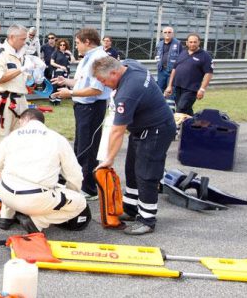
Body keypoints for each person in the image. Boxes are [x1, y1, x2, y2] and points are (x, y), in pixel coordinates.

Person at [93, 57, 176, 235]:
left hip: (156, 131)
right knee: (131, 169)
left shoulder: (128, 92)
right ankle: (131, 208)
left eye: (104, 80)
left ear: (114, 73)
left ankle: (147, 219)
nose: (104, 85)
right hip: (142, 128)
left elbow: (117, 131)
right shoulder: (130, 65)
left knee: (146, 174)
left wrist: (108, 159)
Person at [0, 109, 87, 233]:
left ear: (23, 119)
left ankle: (6, 217)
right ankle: (37, 221)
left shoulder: (13, 136)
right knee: (80, 202)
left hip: (5, 194)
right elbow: (75, 175)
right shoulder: (57, 139)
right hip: (35, 199)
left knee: (10, 176)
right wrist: (70, 193)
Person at [51, 28, 111, 201]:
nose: (75, 46)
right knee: (80, 146)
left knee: (88, 148)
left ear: (87, 42)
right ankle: (79, 182)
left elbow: (95, 90)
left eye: (77, 42)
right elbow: (81, 83)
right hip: (83, 108)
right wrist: (66, 82)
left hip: (92, 108)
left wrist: (70, 94)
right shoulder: (89, 57)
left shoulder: (99, 58)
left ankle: (89, 188)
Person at [0, 24, 32, 150]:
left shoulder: (21, 54)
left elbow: (19, 79)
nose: (25, 42)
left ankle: (14, 168)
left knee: (21, 137)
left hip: (20, 99)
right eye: (22, 39)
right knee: (2, 138)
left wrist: (32, 76)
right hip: (4, 100)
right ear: (12, 37)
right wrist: (21, 69)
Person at [164, 33, 213, 116]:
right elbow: (174, 69)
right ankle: (193, 125)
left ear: (199, 42)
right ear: (187, 43)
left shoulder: (205, 56)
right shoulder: (183, 53)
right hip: (178, 87)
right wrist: (170, 85)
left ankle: (177, 128)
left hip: (191, 89)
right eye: (190, 42)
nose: (192, 44)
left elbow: (209, 73)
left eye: (195, 42)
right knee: (187, 110)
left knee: (180, 109)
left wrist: (202, 89)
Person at [155, 26, 182, 107]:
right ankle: (160, 107)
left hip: (172, 71)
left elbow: (182, 57)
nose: (167, 34)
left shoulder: (178, 44)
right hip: (161, 70)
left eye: (169, 32)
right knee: (160, 90)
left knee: (170, 91)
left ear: (173, 33)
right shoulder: (159, 44)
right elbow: (156, 54)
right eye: (165, 32)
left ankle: (170, 110)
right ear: (163, 33)